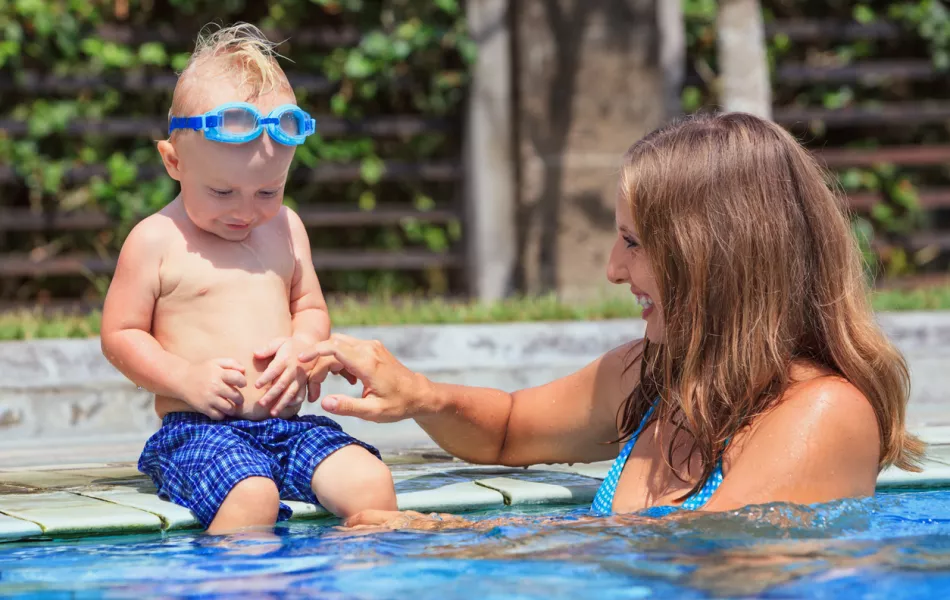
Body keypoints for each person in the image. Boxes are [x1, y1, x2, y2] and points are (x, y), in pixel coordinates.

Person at [299, 111, 925, 528]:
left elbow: (711, 560)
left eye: (633, 243)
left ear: (712, 257)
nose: (612, 270)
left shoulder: (823, 414)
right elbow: (512, 430)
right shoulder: (654, 377)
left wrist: (449, 538)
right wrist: (419, 395)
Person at [99, 23, 396, 534]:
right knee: (251, 496)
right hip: (198, 432)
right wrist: (184, 380)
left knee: (371, 482)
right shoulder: (157, 239)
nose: (244, 211)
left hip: (288, 427)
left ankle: (348, 575)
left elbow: (311, 308)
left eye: (267, 191)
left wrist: (303, 347)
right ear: (174, 161)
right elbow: (119, 336)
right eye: (221, 192)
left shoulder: (286, 228)